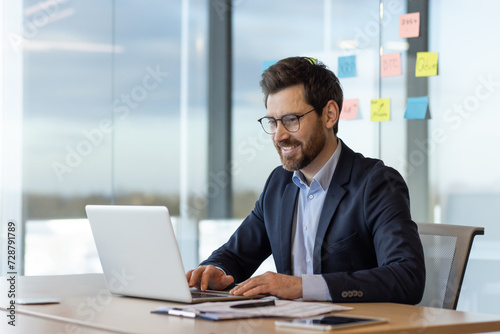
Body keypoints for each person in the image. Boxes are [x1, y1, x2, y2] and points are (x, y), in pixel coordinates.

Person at [186, 56, 425, 304]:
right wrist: (216, 271)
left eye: (291, 120)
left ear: (329, 115)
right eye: (272, 122)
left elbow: (407, 277)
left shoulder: (375, 183)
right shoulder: (279, 184)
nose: (279, 136)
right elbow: (236, 254)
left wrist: (303, 287)